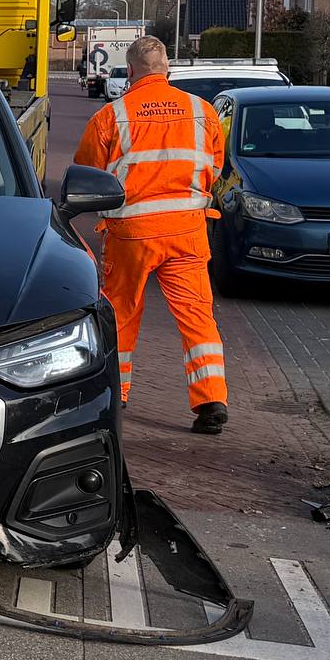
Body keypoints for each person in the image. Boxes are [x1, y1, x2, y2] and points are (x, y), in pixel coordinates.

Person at [71, 34, 229, 432]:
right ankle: (211, 401)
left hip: (132, 233)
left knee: (121, 313)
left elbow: (88, 171)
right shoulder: (202, 111)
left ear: (131, 72)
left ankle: (116, 395)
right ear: (167, 69)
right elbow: (215, 163)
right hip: (188, 230)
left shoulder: (113, 115)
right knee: (196, 315)